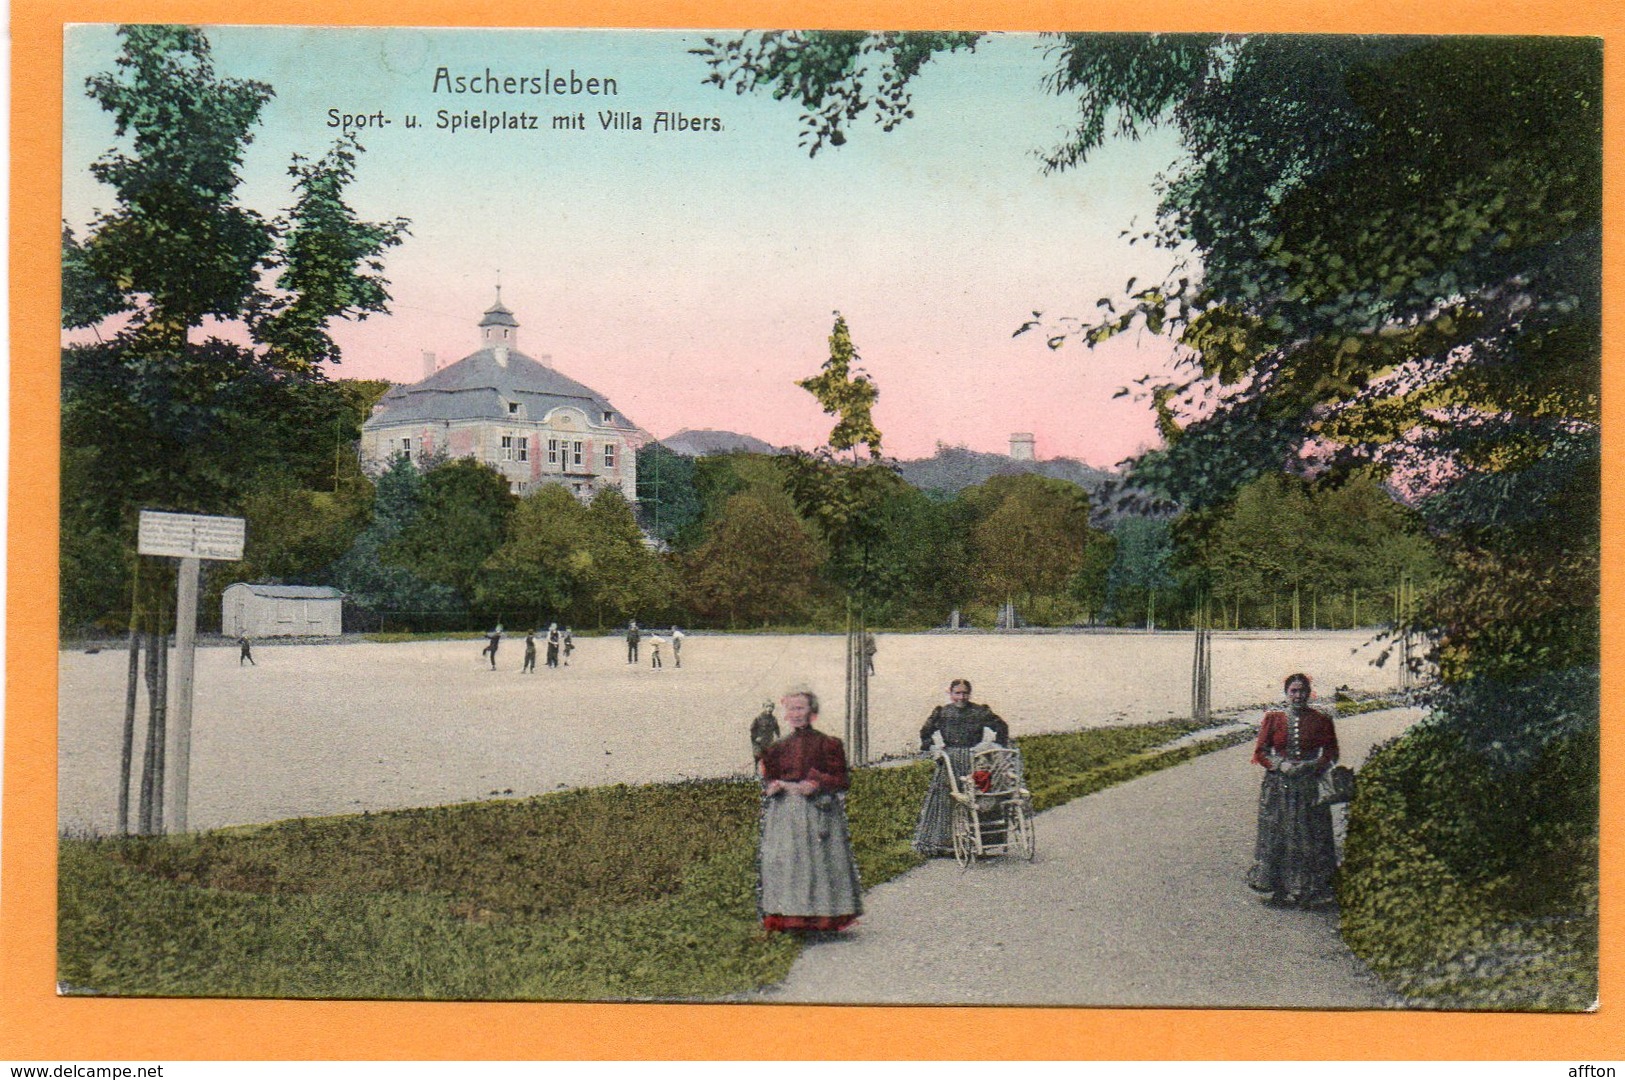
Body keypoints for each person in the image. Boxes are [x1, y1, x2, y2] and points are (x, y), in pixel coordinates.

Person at [757, 689, 862, 934]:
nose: (795, 714)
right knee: (787, 861)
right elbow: (770, 777)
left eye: (800, 708)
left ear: (812, 713)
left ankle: (822, 919)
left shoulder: (828, 743)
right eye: (791, 709)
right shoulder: (777, 748)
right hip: (785, 812)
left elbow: (842, 779)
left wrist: (816, 782)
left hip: (818, 810)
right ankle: (790, 918)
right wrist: (773, 786)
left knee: (819, 863)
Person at [1247, 673, 1341, 908]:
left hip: (1308, 787)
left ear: (1310, 693)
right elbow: (1260, 753)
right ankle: (1279, 888)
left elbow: (1331, 753)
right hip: (1279, 787)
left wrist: (1312, 766)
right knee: (1279, 835)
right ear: (1286, 694)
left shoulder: (1321, 720)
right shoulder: (1273, 719)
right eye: (1293, 691)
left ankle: (1309, 890)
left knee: (1309, 836)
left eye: (1302, 691)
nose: (1298, 696)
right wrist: (1281, 765)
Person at [912, 679, 1011, 855]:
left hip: (974, 758)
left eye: (965, 693)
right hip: (950, 760)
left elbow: (1002, 727)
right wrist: (933, 747)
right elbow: (925, 733)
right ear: (950, 694)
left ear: (969, 694)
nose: (961, 697)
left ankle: (980, 843)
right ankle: (944, 845)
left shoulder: (979, 711)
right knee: (946, 798)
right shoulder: (942, 713)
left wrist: (993, 746)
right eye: (957, 693)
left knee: (978, 796)